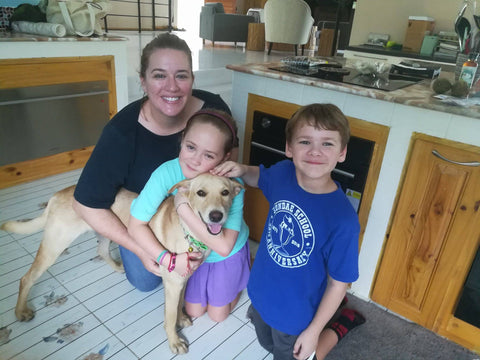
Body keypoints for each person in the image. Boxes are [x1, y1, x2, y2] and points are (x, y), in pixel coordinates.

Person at [72, 32, 232, 292]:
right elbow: (86, 204)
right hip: (142, 218)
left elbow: (227, 163)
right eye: (159, 75)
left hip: (192, 212)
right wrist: (142, 249)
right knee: (146, 280)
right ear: (143, 82)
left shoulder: (214, 111)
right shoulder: (121, 134)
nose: (172, 86)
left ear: (192, 79)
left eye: (181, 75)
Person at [213, 103, 365, 360]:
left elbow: (339, 283)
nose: (315, 151)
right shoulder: (283, 174)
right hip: (260, 293)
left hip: (297, 316)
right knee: (267, 343)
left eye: (327, 143)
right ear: (289, 148)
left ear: (342, 152)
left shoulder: (343, 220)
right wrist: (241, 170)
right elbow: (257, 176)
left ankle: (339, 326)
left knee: (300, 354)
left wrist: (314, 331)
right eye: (305, 141)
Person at [128, 109, 250, 323]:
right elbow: (136, 224)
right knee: (193, 312)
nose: (195, 160)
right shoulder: (167, 173)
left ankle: (243, 272)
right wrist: (167, 259)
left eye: (209, 155)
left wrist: (182, 206)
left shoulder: (232, 185)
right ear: (182, 141)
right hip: (196, 254)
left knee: (218, 316)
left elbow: (223, 247)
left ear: (224, 158)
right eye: (191, 147)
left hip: (227, 252)